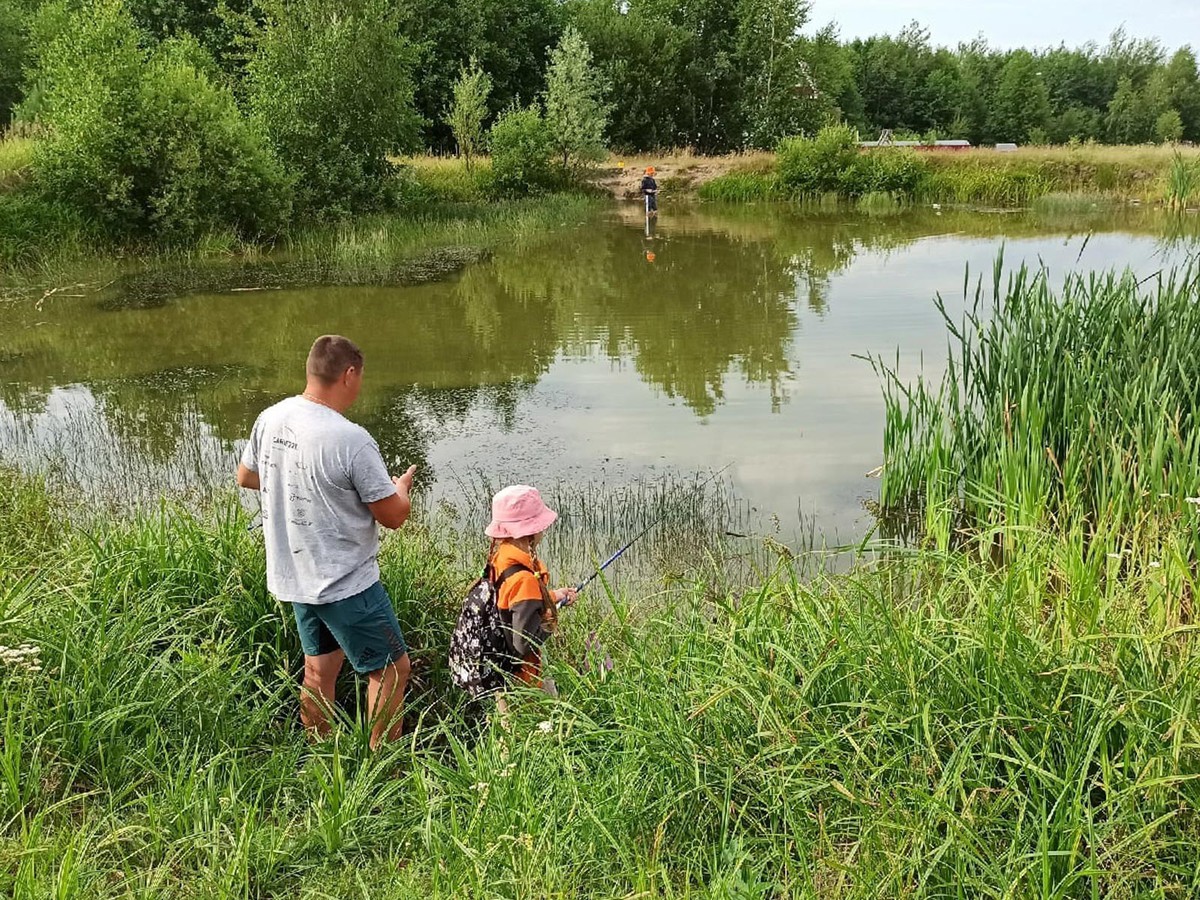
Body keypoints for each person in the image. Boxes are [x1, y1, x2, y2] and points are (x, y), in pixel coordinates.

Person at [236, 335, 416, 750]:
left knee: (319, 671)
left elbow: (246, 477)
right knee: (391, 670)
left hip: (296, 576)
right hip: (346, 582)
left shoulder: (271, 418)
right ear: (349, 374)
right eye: (360, 377)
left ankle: (321, 757)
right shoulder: (350, 439)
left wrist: (297, 482)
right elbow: (393, 516)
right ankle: (383, 769)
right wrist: (400, 488)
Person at [485, 485, 577, 689]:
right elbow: (523, 644)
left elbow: (516, 605)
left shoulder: (501, 558)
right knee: (543, 714)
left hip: (502, 667)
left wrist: (554, 596)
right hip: (523, 679)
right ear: (531, 533)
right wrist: (550, 620)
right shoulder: (525, 579)